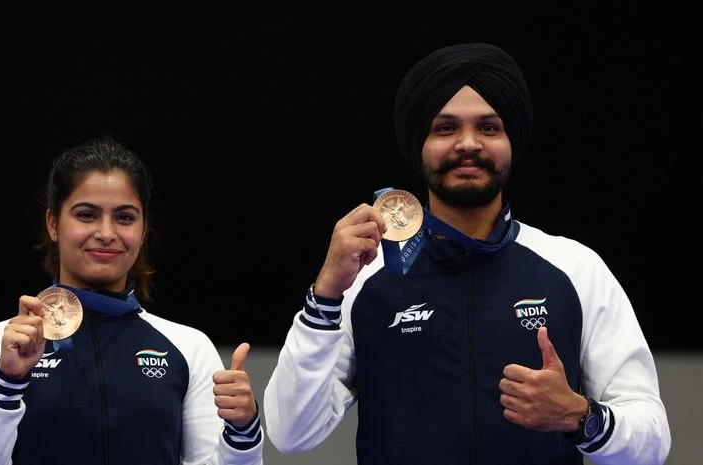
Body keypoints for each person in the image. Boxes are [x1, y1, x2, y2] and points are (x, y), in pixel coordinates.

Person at [263, 43, 670, 465]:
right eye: (445, 128)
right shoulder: (365, 278)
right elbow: (292, 433)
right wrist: (326, 293)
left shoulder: (575, 268)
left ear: (512, 141)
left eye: (490, 128)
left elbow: (653, 440)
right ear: (418, 143)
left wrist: (580, 417)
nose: (468, 143)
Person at [0, 135, 264, 465]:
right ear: (53, 223)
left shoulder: (188, 347)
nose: (107, 232)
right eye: (86, 215)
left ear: (143, 230)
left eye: (124, 217)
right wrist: (7, 383)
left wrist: (242, 431)